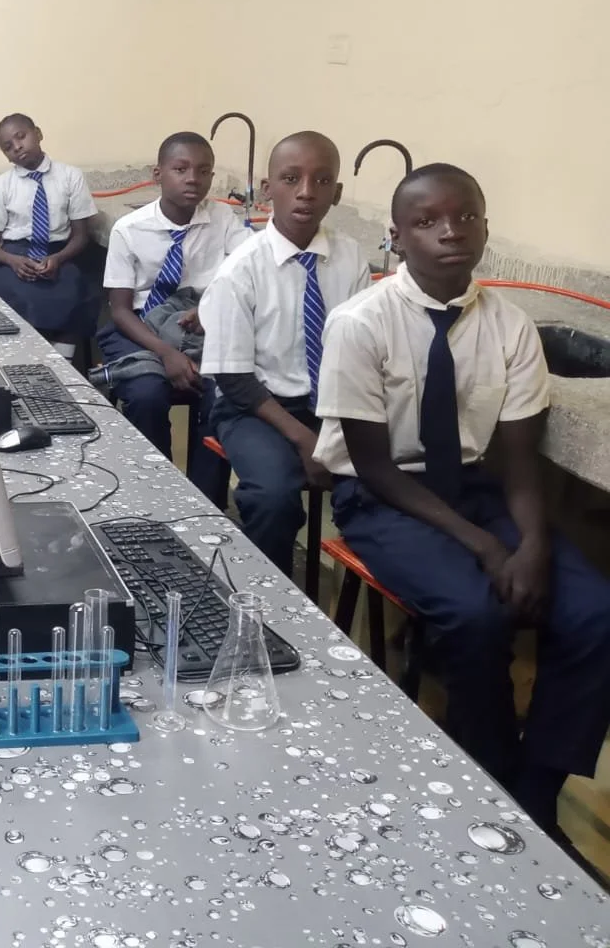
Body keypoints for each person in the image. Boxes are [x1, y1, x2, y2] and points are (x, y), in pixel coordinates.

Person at [315, 163, 610, 843]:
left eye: (465, 217)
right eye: (427, 221)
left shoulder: (510, 327)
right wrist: (489, 549)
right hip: (384, 496)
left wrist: (531, 547)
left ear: (484, 228)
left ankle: (538, 791)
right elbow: (375, 468)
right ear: (397, 236)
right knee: (476, 614)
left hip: (478, 487)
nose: (450, 232)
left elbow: (519, 461)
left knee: (595, 611)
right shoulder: (360, 322)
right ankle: (491, 780)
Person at [199, 133, 370, 573]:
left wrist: (333, 432)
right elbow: (234, 378)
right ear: (267, 187)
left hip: (334, 405)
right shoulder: (240, 270)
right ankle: (268, 602)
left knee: (386, 482)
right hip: (256, 407)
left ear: (338, 193)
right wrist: (305, 440)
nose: (307, 192)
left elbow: (360, 354)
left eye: (322, 180)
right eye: (291, 179)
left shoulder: (351, 258)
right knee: (272, 497)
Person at [100, 132, 248, 496]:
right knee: (146, 394)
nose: (193, 179)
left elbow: (250, 272)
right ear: (158, 174)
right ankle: (158, 494)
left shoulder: (223, 219)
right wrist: (167, 353)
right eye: (181, 169)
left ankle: (207, 500)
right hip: (139, 326)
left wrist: (211, 307)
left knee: (223, 393)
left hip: (201, 325)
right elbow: (120, 311)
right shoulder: (128, 230)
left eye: (203, 171)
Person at [0, 112, 98, 348]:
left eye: (21, 136)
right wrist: (13, 261)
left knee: (79, 292)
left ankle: (63, 361)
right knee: (12, 297)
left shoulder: (70, 176)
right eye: (7, 147)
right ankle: (25, 359)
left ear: (39, 134)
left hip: (59, 254)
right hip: (13, 258)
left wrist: (58, 258)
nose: (17, 147)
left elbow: (81, 236)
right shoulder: (1, 186)